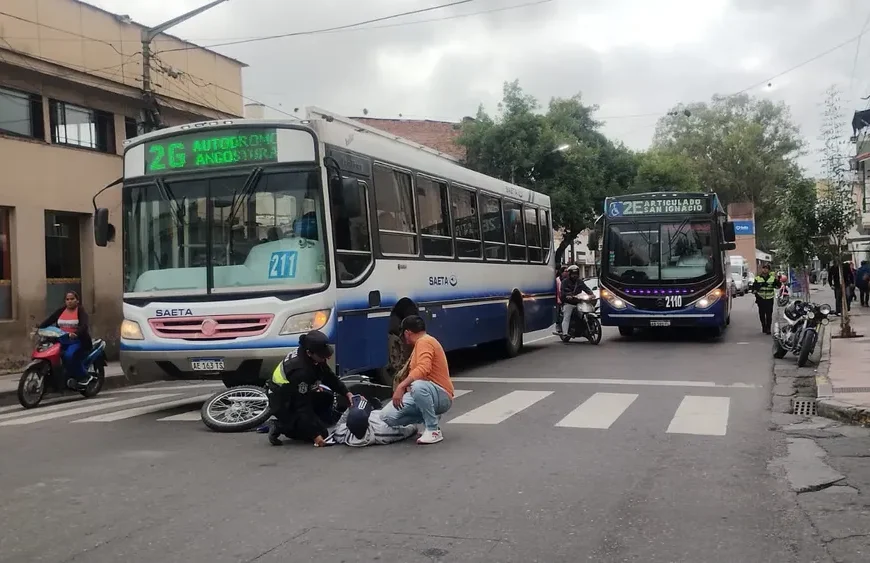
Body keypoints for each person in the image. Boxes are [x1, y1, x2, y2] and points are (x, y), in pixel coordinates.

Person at [267, 330, 353, 447]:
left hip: (296, 391)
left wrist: (347, 393)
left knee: (327, 397)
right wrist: (315, 435)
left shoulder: (312, 353)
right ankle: (281, 426)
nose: (326, 358)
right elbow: (302, 407)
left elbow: (328, 376)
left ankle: (313, 422)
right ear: (309, 353)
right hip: (283, 401)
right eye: (323, 356)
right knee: (322, 433)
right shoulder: (300, 371)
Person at [381, 315, 454, 445]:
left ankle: (433, 430)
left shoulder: (425, 341)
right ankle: (429, 419)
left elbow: (423, 368)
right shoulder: (420, 344)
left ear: (407, 333)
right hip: (426, 394)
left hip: (442, 395)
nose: (403, 339)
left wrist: (401, 386)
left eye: (403, 336)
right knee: (387, 416)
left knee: (418, 386)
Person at [39, 290, 93, 386]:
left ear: (77, 300)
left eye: (72, 299)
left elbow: (84, 326)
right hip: (61, 339)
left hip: (77, 341)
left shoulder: (80, 311)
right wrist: (39, 328)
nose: (69, 301)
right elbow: (50, 319)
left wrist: (76, 333)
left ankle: (84, 376)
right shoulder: (61, 310)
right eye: (67, 299)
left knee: (69, 356)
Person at [325, 395, 417, 447]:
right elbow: (409, 429)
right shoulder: (382, 433)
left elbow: (337, 427)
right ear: (367, 421)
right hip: (384, 418)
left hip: (376, 415)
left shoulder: (343, 433)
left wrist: (350, 409)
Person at [560, 265, 595, 335]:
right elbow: (563, 292)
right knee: (567, 316)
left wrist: (591, 294)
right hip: (568, 303)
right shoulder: (564, 282)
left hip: (579, 303)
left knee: (586, 312)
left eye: (576, 274)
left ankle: (586, 328)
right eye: (573, 274)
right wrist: (568, 296)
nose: (574, 275)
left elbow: (586, 289)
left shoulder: (580, 282)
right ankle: (565, 332)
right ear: (569, 274)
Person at [751, 264, 780, 334]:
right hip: (761, 299)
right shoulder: (758, 278)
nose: (765, 270)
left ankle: (768, 328)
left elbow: (778, 286)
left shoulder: (772, 278)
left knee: (769, 314)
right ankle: (764, 326)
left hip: (769, 299)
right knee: (762, 314)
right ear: (762, 269)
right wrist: (755, 291)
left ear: (769, 270)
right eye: (764, 268)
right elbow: (753, 288)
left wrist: (777, 279)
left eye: (766, 268)